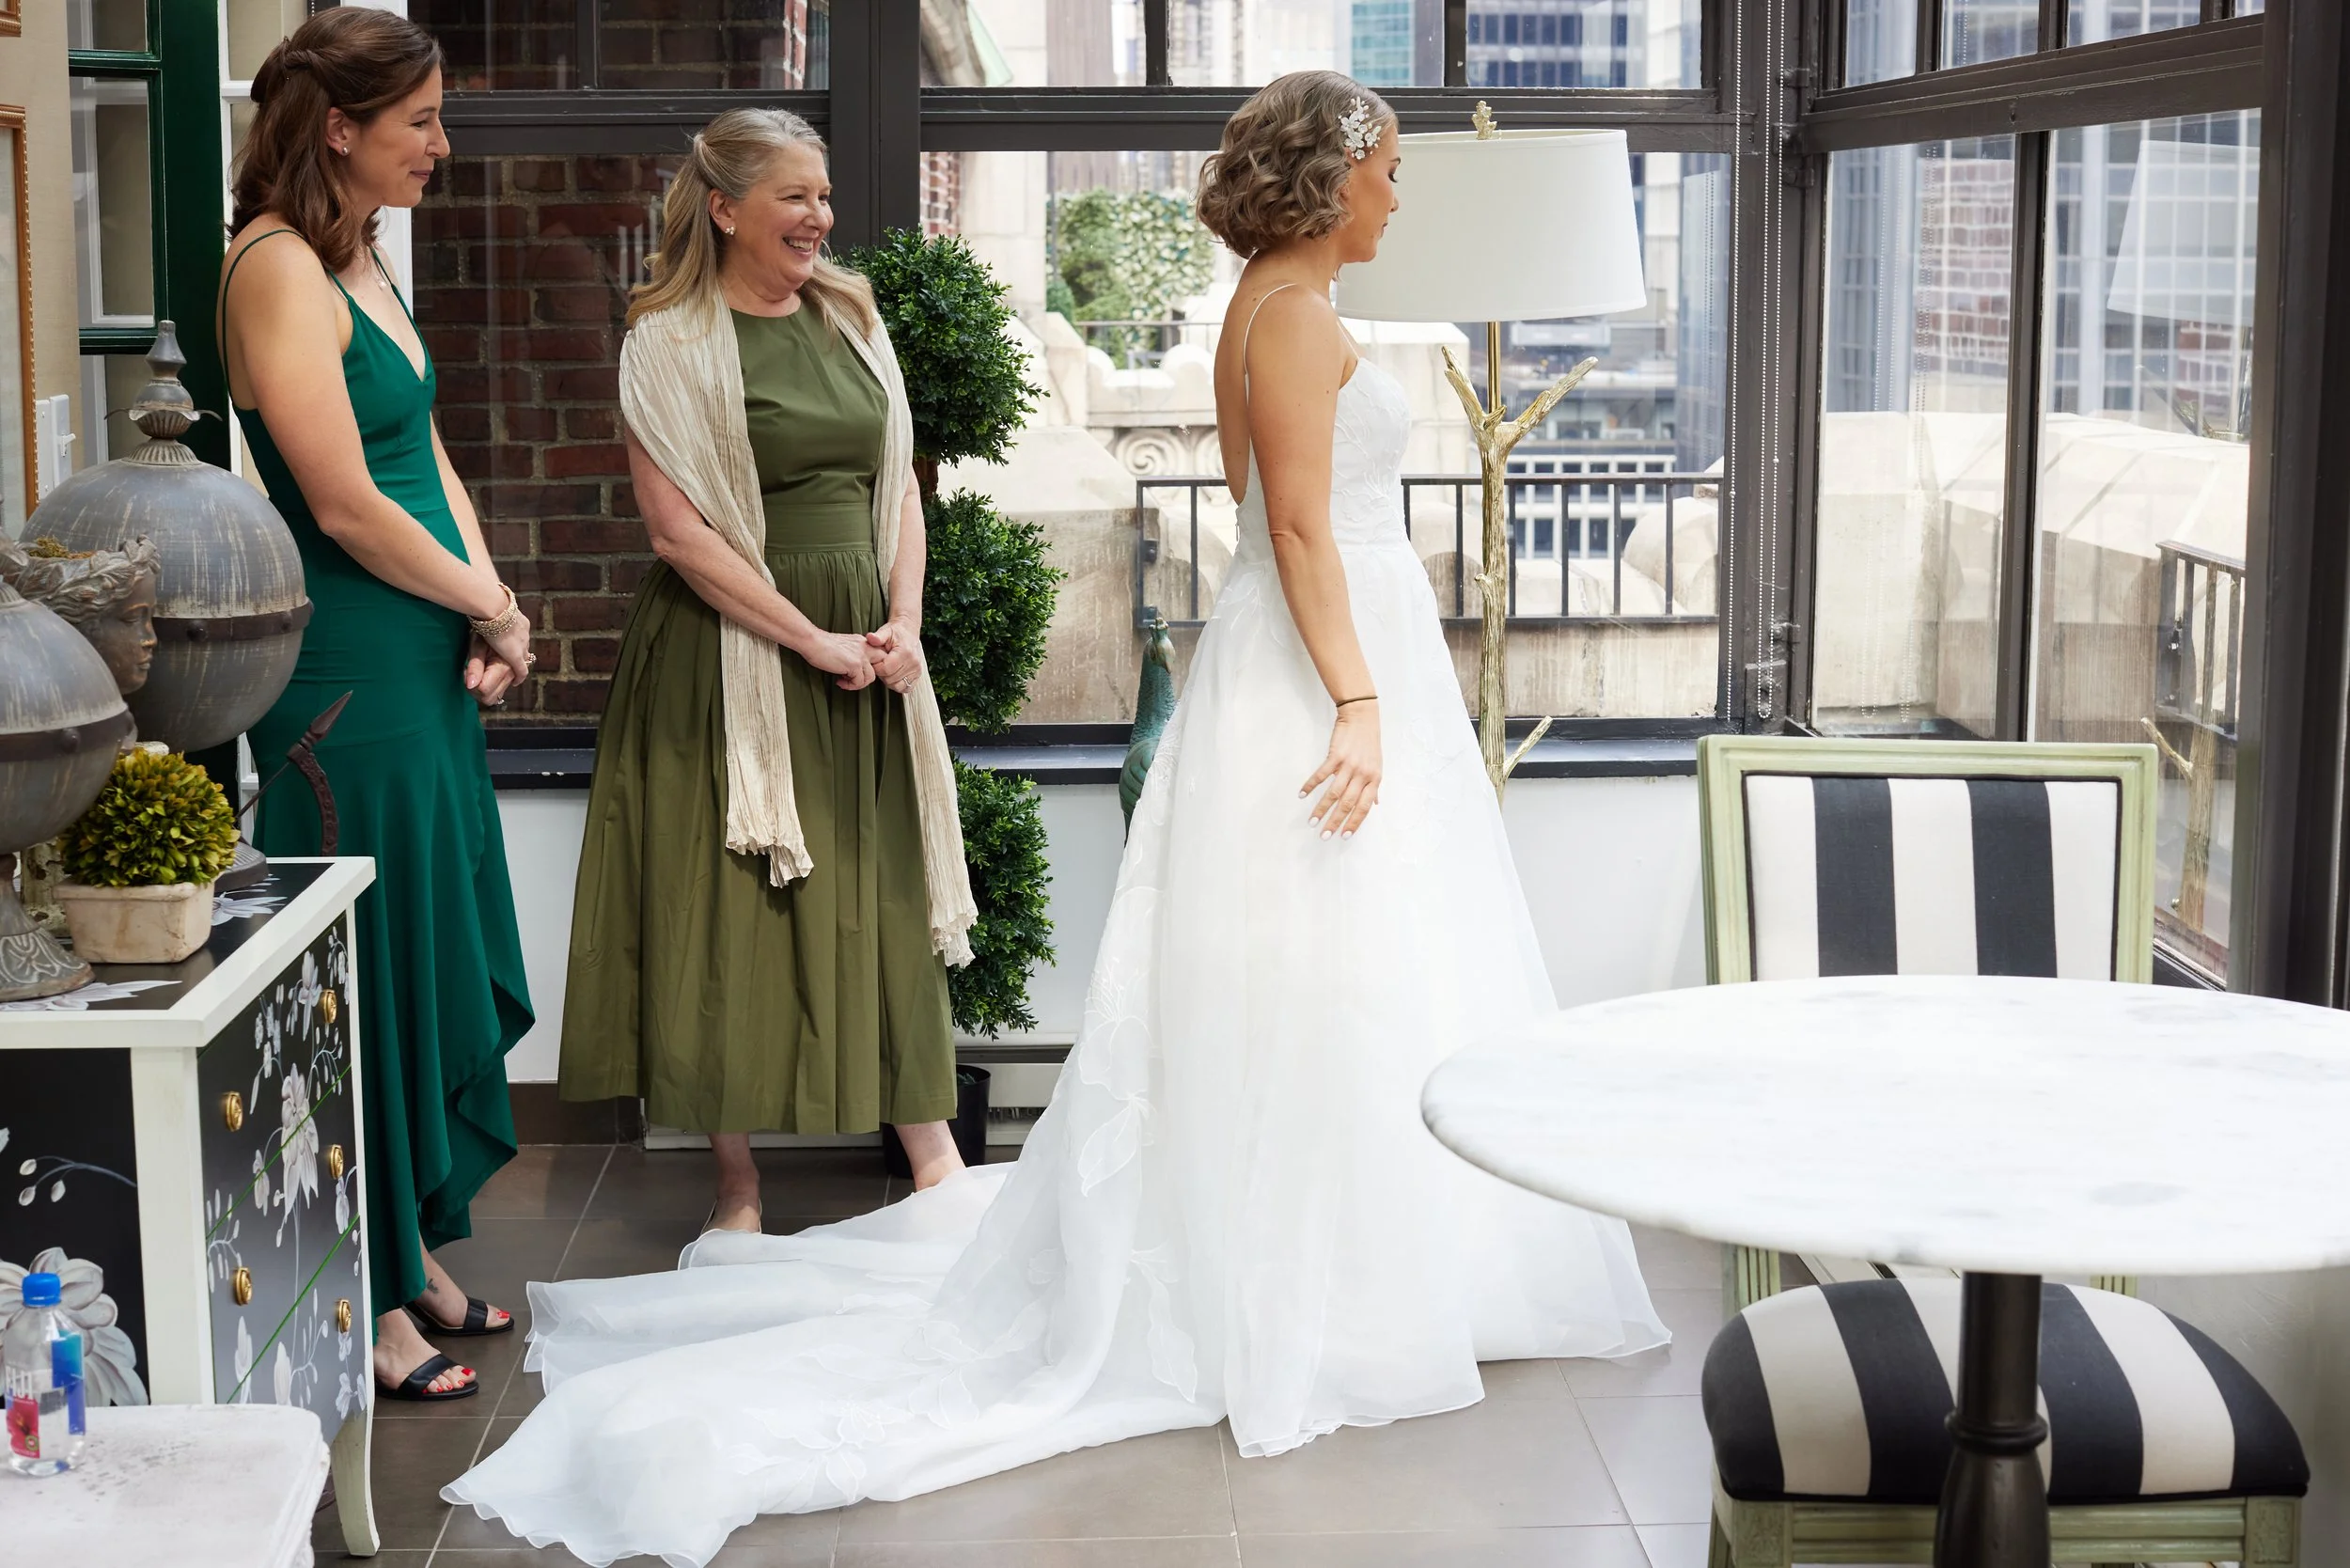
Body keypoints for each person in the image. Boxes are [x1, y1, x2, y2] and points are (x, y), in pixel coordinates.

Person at [446, 72, 1664, 1563]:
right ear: (1326, 182)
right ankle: (1302, 1284)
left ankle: (1373, 1260)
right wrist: (1357, 700)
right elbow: (1292, 530)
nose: (1400, 198)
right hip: (1326, 658)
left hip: (1348, 645)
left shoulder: (1291, 308)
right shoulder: (1284, 318)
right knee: (1327, 962)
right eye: (1390, 171)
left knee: (1362, 964)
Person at [552, 109, 977, 1231]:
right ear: (727, 207)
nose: (820, 218)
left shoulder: (850, 314)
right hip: (729, 644)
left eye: (824, 196)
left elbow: (900, 490)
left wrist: (903, 621)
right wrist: (810, 637)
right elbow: (678, 534)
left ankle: (932, 1158)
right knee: (725, 904)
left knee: (878, 890)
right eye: (795, 196)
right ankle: (735, 1182)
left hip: (866, 644)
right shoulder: (670, 339)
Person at [219, 8, 533, 1403]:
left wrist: (490, 595)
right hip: (348, 681)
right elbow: (343, 502)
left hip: (425, 659)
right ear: (340, 126)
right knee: (367, 977)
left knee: (423, 944)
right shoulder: (277, 269)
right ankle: (369, 1290)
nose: (442, 145)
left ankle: (412, 1250)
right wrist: (480, 604)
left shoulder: (357, 260)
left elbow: (430, 457)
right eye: (421, 121)